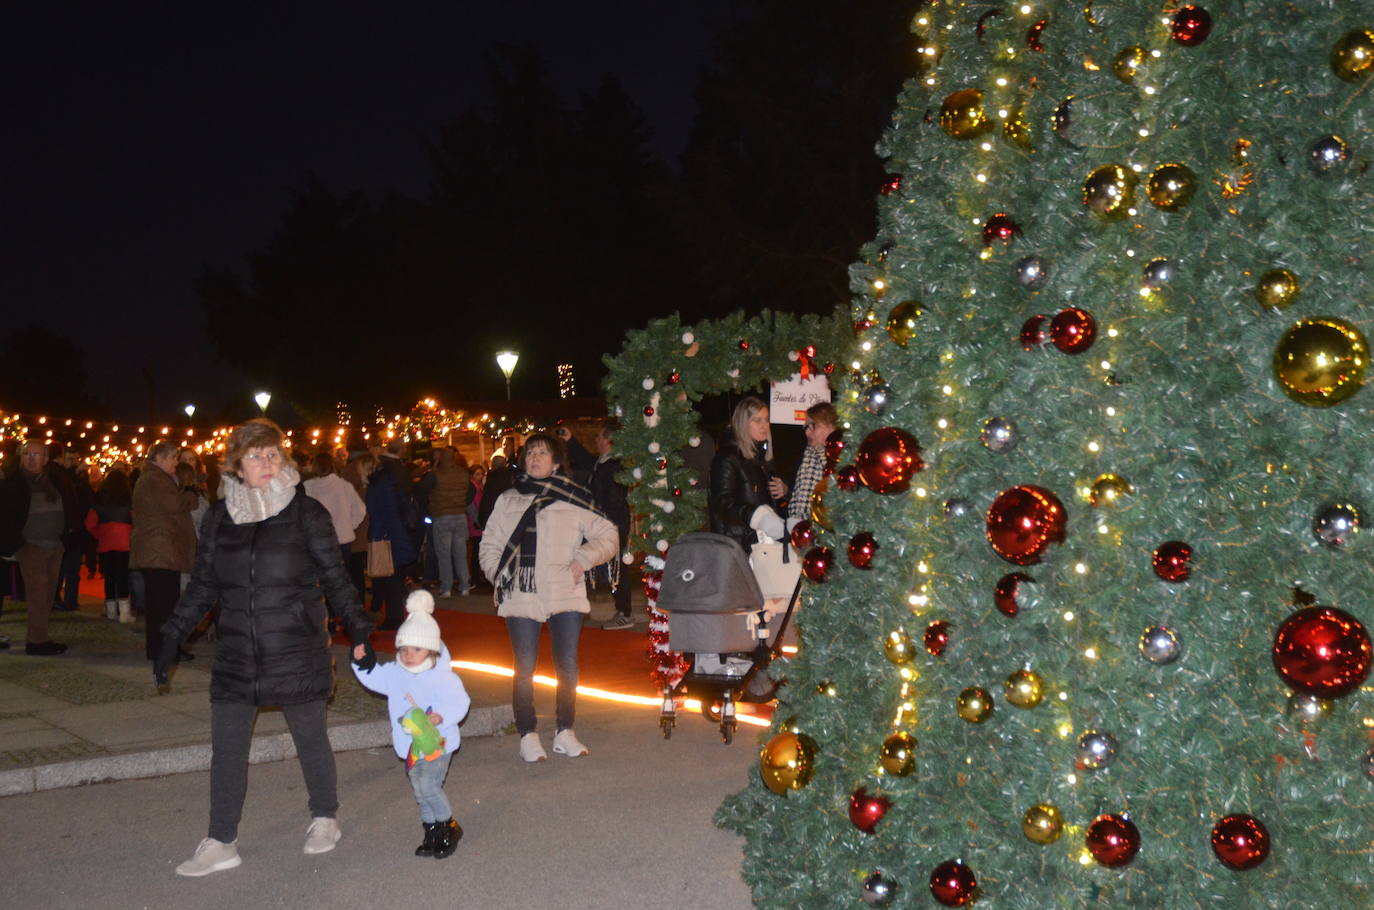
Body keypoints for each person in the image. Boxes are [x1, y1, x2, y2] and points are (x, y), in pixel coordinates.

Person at [154, 418, 375, 877]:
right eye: (256, 455)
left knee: (310, 738)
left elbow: (337, 578)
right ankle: (220, 840)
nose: (268, 463)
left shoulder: (305, 512)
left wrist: (360, 632)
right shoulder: (219, 517)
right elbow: (204, 585)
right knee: (228, 750)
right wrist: (172, 635)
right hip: (237, 652)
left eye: (274, 454)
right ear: (236, 466)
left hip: (295, 646)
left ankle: (324, 817)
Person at [479, 432, 618, 762]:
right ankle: (527, 733)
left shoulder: (572, 497)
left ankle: (565, 731)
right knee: (524, 667)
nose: (534, 458)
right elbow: (490, 543)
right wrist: (497, 574)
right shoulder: (509, 498)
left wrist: (583, 559)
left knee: (566, 665)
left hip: (564, 591)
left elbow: (609, 535)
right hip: (520, 593)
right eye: (530, 453)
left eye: (542, 453)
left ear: (556, 462)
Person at [351, 590, 471, 859]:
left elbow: (460, 701)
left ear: (430, 649)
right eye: (403, 649)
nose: (408, 654)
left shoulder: (442, 676)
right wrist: (361, 661)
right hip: (410, 748)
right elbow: (373, 677)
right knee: (419, 790)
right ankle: (431, 832)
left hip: (438, 744)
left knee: (429, 786)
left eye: (415, 649)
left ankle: (449, 826)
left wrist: (441, 715)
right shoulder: (395, 673)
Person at [0, 439, 77, 654]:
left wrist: (68, 532)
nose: (31, 459)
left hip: (55, 544)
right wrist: (14, 543)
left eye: (36, 455)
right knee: (38, 591)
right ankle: (36, 642)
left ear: (45, 459)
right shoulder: (13, 481)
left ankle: (40, 637)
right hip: (30, 545)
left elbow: (70, 502)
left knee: (49, 593)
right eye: (27, 455)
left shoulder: (54, 479)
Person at [561, 422, 634, 630]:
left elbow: (613, 499)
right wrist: (570, 439)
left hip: (612, 523)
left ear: (608, 440)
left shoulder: (614, 466)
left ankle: (625, 612)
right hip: (602, 522)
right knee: (606, 564)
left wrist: (603, 521)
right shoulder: (602, 462)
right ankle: (612, 608)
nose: (596, 440)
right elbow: (584, 459)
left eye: (599, 437)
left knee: (617, 566)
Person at [130, 442, 199, 662]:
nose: (176, 463)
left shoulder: (151, 478)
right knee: (164, 604)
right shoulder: (155, 479)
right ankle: (165, 649)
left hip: (159, 551)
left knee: (161, 604)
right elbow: (175, 503)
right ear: (160, 458)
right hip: (160, 552)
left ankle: (160, 648)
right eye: (173, 458)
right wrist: (191, 494)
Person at [709, 396, 788, 553]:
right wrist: (755, 515)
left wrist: (784, 491)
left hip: (760, 543)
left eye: (766, 420)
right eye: (757, 420)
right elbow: (721, 502)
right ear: (743, 423)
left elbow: (768, 503)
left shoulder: (761, 458)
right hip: (737, 546)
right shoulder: (728, 457)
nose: (764, 425)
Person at [366, 447, 419, 630]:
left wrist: (376, 535)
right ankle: (391, 614)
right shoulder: (393, 483)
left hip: (387, 534)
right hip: (397, 532)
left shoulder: (378, 486)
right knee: (393, 577)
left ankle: (393, 617)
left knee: (389, 578)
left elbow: (378, 512)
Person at [419, 447, 471, 597]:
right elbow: (471, 492)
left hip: (442, 517)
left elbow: (422, 488)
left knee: (444, 554)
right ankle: (465, 585)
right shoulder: (463, 473)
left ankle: (446, 587)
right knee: (460, 553)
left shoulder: (436, 475)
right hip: (460, 516)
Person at [85, 468, 135, 622]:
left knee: (110, 577)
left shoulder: (99, 502)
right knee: (123, 577)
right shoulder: (129, 501)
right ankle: (125, 613)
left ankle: (111, 610)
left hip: (106, 543)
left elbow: (89, 523)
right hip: (125, 543)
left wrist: (100, 534)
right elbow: (137, 521)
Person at [787, 401, 838, 531]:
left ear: (831, 426)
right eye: (806, 427)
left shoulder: (838, 459)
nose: (807, 433)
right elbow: (798, 493)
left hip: (824, 530)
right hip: (798, 527)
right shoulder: (806, 456)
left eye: (813, 426)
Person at [466, 464, 485, 587]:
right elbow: (471, 506)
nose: (480, 476)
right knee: (476, 550)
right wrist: (478, 520)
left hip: (477, 520)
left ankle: (477, 576)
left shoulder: (479, 487)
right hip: (475, 521)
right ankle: (475, 577)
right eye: (477, 474)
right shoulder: (472, 487)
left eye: (481, 474)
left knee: (478, 550)